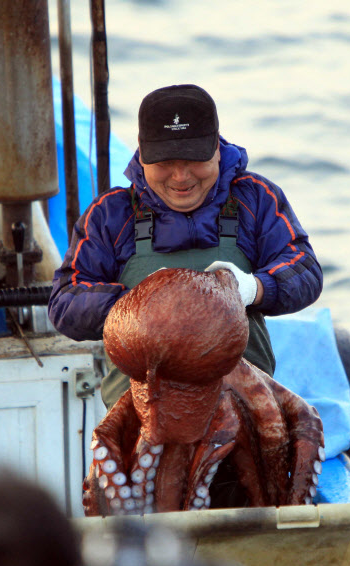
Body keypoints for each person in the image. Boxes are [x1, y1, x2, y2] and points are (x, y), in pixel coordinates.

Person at [48, 84, 323, 410]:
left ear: (216, 149)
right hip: (144, 418)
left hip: (243, 412)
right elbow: (65, 303)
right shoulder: (110, 215)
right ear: (142, 153)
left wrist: (253, 288)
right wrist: (139, 304)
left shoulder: (255, 198)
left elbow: (305, 269)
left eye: (194, 159)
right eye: (165, 162)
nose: (180, 177)